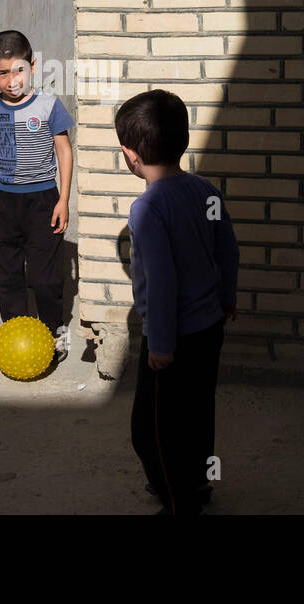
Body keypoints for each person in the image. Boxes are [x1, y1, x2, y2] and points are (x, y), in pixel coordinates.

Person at [116, 89, 238, 515]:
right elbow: (228, 249)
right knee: (198, 413)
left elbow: (163, 281)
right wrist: (226, 299)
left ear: (130, 155)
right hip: (209, 330)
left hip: (172, 339)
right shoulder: (205, 191)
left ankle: (178, 501)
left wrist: (162, 346)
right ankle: (196, 484)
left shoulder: (147, 209)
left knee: (153, 432)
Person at [0, 30, 74, 367]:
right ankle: (14, 341)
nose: (12, 80)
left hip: (44, 199)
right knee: (8, 276)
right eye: (3, 73)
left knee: (44, 279)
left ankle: (54, 338)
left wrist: (63, 200)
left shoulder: (49, 105)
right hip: (5, 203)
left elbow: (64, 151)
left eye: (18, 70)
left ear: (32, 66)